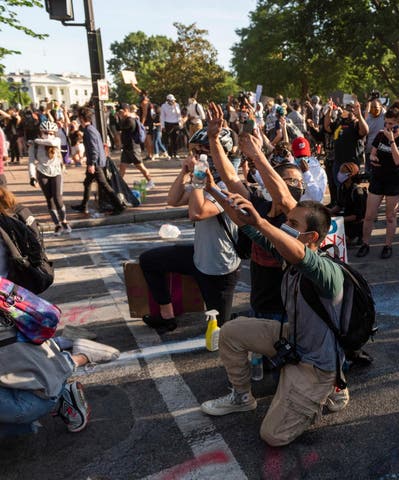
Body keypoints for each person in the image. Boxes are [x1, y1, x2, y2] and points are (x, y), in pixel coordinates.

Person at [200, 191, 347, 447]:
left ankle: (330, 389)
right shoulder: (286, 254)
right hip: (293, 337)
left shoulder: (326, 270)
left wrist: (261, 223)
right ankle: (242, 398)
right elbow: (246, 224)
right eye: (287, 220)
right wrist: (213, 189)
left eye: (292, 224)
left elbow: (297, 253)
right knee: (231, 331)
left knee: (273, 436)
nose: (284, 226)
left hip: (317, 364)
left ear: (311, 237)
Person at [206, 102, 303, 321]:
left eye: (299, 181)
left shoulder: (297, 216)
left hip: (287, 311)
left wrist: (257, 155)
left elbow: (284, 198)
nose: (295, 184)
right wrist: (213, 140)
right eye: (289, 179)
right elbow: (230, 177)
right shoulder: (259, 204)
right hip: (259, 303)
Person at [139, 128, 241, 333]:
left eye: (203, 152)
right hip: (199, 257)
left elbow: (197, 213)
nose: (197, 157)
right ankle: (167, 315)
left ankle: (232, 320)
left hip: (219, 267)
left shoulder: (229, 187)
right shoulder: (201, 181)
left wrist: (198, 177)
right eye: (196, 153)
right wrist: (184, 172)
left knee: (221, 331)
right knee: (149, 260)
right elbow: (173, 200)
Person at [358, 107, 399, 259]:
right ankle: (365, 244)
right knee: (369, 215)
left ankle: (387, 246)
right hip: (378, 179)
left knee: (390, 216)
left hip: (394, 181)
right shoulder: (381, 135)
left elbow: (398, 160)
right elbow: (372, 154)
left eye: (390, 123)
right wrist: (373, 159)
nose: (387, 126)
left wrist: (392, 140)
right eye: (386, 123)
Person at [71, 107, 126, 216]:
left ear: (81, 118)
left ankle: (118, 206)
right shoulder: (92, 129)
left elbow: (93, 149)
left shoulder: (88, 130)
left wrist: (91, 164)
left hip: (95, 163)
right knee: (87, 183)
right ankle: (83, 205)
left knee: (104, 185)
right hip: (97, 162)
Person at [28, 121, 70, 235]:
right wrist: (32, 177)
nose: (48, 135)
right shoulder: (35, 146)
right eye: (46, 132)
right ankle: (57, 225)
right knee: (49, 199)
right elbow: (31, 161)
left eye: (51, 133)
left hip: (56, 172)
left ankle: (64, 221)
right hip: (42, 173)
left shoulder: (56, 140)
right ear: (41, 132)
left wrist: (35, 140)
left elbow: (50, 141)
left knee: (58, 198)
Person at [324, 98, 368, 205]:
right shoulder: (339, 123)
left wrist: (359, 116)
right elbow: (327, 127)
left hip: (351, 163)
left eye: (351, 109)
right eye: (346, 108)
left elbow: (365, 131)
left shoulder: (356, 124)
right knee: (339, 187)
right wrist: (329, 110)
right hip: (338, 162)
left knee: (351, 187)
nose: (348, 110)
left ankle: (352, 208)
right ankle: (341, 206)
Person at [116, 103, 154, 187]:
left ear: (126, 110)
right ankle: (118, 185)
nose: (119, 114)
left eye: (120, 112)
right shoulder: (129, 118)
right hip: (127, 148)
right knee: (122, 167)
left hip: (133, 148)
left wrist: (121, 118)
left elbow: (120, 127)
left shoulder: (130, 120)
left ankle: (150, 182)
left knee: (140, 166)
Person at [329, 162, 367, 245]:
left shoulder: (357, 191)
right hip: (347, 217)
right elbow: (339, 205)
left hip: (357, 222)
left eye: (342, 172)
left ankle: (357, 236)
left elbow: (358, 216)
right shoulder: (342, 187)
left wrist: (338, 220)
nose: (339, 174)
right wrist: (328, 212)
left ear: (350, 175)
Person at [291, 136, 327, 203]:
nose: (302, 159)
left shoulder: (319, 171)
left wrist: (306, 173)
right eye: (299, 156)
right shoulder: (290, 170)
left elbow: (318, 198)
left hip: (313, 209)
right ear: (293, 154)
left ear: (309, 154)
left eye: (304, 156)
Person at [160, 94, 182, 160]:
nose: (172, 102)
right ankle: (170, 154)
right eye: (171, 101)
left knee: (175, 140)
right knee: (168, 140)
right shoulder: (163, 106)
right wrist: (163, 126)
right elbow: (162, 116)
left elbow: (179, 115)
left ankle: (176, 154)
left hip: (175, 124)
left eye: (173, 100)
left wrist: (175, 106)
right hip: (167, 124)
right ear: (167, 100)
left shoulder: (177, 105)